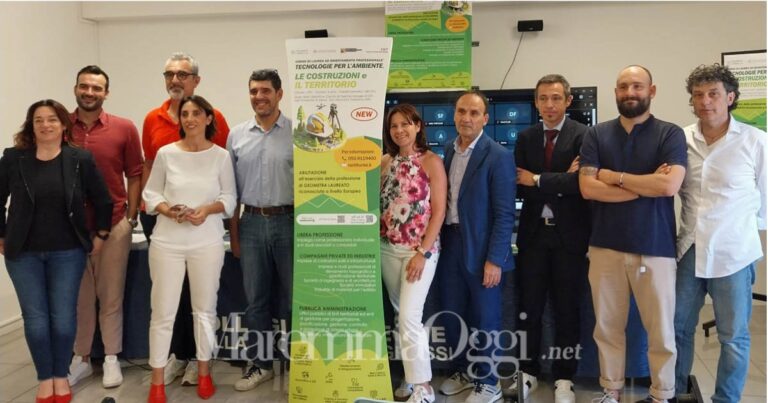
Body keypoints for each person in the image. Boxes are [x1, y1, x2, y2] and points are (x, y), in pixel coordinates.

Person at [579, 65, 687, 403]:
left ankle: (661, 394)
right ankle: (610, 391)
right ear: (615, 93)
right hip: (605, 248)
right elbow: (588, 188)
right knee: (607, 328)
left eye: (637, 86)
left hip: (655, 248)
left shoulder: (669, 134)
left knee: (661, 333)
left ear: (651, 91)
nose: (630, 92)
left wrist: (614, 176)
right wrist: (645, 184)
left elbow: (669, 185)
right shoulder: (596, 135)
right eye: (623, 86)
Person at [0, 99, 112, 403]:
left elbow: (103, 200)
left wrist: (101, 234)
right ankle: (45, 378)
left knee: (62, 318)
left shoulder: (80, 159)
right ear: (31, 125)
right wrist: (2, 235)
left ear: (64, 125)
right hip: (23, 253)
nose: (45, 125)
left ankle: (61, 376)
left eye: (52, 119)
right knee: (36, 319)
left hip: (68, 252)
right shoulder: (13, 158)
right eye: (38, 120)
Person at [674, 64, 766, 403]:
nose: (705, 101)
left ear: (730, 97)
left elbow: (765, 201)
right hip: (689, 248)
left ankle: (726, 399)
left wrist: (740, 231)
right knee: (678, 327)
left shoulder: (756, 142)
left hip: (734, 254)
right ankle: (677, 391)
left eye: (713, 94)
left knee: (732, 336)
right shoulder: (680, 140)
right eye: (698, 95)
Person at [141, 51, 230, 386]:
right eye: (169, 75)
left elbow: (228, 195)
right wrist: (167, 209)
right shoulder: (155, 127)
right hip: (166, 234)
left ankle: (202, 368)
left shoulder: (219, 150)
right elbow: (151, 185)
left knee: (203, 308)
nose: (174, 80)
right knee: (165, 310)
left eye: (181, 74)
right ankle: (165, 372)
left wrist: (205, 210)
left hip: (205, 237)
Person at [509, 74, 589, 403]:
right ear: (536, 102)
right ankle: (527, 372)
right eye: (543, 98)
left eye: (556, 98)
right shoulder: (525, 138)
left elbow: (580, 184)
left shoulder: (585, 136)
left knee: (567, 310)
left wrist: (538, 179)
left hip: (570, 238)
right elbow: (517, 183)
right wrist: (561, 179)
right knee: (529, 309)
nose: (549, 105)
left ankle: (564, 377)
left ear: (568, 101)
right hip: (532, 237)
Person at [436, 90, 516, 403]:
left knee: (486, 318)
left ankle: (489, 383)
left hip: (483, 250)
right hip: (450, 245)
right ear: (454, 115)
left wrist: (495, 259)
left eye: (473, 113)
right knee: (453, 312)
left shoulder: (498, 156)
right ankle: (464, 371)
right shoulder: (447, 150)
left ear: (485, 118)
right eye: (461, 111)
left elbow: (505, 213)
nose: (466, 118)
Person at [66, 65, 144, 389]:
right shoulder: (59, 127)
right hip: (69, 230)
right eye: (84, 86)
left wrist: (132, 216)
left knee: (111, 296)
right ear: (76, 89)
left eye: (96, 88)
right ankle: (80, 359)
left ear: (106, 93)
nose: (90, 92)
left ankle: (111, 358)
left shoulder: (124, 128)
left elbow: (135, 173)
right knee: (78, 299)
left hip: (114, 225)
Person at [227, 69, 293, 391]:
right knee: (256, 301)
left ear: (279, 94)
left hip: (289, 221)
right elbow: (231, 193)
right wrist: (235, 236)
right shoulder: (236, 135)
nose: (259, 97)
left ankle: (298, 365)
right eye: (254, 91)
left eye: (266, 91)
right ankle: (261, 364)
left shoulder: (299, 132)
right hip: (251, 223)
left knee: (295, 300)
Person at [380, 104, 447, 403]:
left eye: (406, 124)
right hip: (387, 249)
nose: (399, 130)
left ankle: (423, 387)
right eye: (394, 126)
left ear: (418, 126)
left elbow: (440, 211)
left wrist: (421, 251)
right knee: (400, 316)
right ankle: (410, 376)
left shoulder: (431, 162)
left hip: (419, 251)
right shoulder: (384, 162)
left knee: (409, 317)